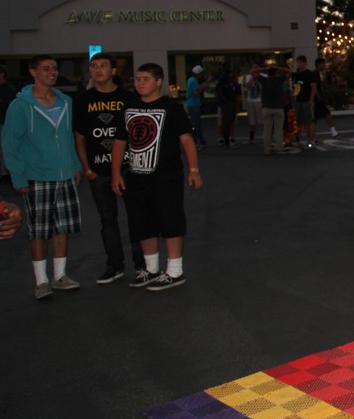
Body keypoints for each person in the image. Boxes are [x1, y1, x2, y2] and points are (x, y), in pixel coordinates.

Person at [111, 63, 203, 291]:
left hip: (166, 176)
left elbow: (186, 140)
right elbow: (120, 142)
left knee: (170, 220)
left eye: (145, 79)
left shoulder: (172, 107)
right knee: (142, 222)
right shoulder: (129, 108)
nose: (140, 83)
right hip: (136, 176)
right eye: (137, 79)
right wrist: (116, 174)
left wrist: (193, 170)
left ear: (159, 81)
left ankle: (174, 271)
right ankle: (151, 269)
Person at [2, 55, 85, 300]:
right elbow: (10, 143)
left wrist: (75, 165)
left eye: (54, 69)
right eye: (46, 69)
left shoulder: (66, 101)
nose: (52, 73)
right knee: (38, 229)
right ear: (33, 72)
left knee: (63, 226)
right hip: (36, 176)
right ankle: (41, 281)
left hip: (64, 174)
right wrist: (18, 176)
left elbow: (68, 137)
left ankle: (60, 276)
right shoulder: (20, 106)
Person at [73, 52, 146, 284]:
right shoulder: (82, 101)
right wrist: (87, 169)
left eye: (103, 66)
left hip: (128, 169)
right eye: (93, 66)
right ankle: (114, 266)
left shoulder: (128, 98)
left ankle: (142, 265)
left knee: (137, 217)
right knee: (107, 220)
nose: (97, 70)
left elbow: (140, 134)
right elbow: (79, 138)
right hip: (99, 171)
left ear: (113, 70)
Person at [258, 62, 292, 155]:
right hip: (278, 107)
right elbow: (289, 72)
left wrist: (265, 68)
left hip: (267, 107)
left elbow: (253, 71)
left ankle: (267, 148)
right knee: (278, 129)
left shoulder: (264, 80)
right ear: (276, 72)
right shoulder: (279, 79)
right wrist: (278, 67)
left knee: (267, 129)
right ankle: (279, 147)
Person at [292, 55, 319, 149]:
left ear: (305, 63)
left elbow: (314, 88)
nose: (299, 64)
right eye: (298, 62)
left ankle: (311, 139)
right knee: (303, 121)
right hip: (299, 100)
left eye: (301, 62)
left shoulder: (310, 74)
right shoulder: (296, 75)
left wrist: (311, 100)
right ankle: (308, 138)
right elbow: (295, 87)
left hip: (307, 100)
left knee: (309, 121)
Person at [214, 66, 241, 149]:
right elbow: (218, 92)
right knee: (226, 122)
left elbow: (237, 93)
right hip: (227, 104)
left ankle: (226, 139)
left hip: (227, 103)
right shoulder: (227, 82)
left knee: (227, 122)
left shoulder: (229, 82)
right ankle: (226, 139)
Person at [313, 57, 339, 138]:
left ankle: (313, 136)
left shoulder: (318, 74)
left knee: (316, 118)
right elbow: (315, 87)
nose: (324, 65)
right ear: (318, 64)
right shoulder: (315, 74)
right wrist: (319, 97)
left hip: (318, 98)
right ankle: (333, 132)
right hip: (317, 99)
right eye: (323, 64)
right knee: (326, 115)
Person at [0, 65, 17, 183]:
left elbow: (8, 105)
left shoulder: (9, 89)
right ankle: (3, 172)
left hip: (5, 122)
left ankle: (9, 173)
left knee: (6, 148)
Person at [185, 65, 207, 147]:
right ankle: (196, 141)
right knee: (196, 123)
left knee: (195, 123)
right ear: (199, 74)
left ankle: (200, 140)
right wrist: (203, 85)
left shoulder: (190, 80)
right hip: (193, 104)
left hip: (192, 104)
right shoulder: (194, 81)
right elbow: (196, 92)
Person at [242, 64, 263, 144]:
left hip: (259, 101)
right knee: (252, 121)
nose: (255, 69)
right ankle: (251, 137)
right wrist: (253, 78)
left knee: (262, 120)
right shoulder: (248, 76)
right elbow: (247, 86)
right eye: (253, 67)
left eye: (256, 67)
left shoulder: (263, 76)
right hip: (251, 101)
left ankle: (267, 136)